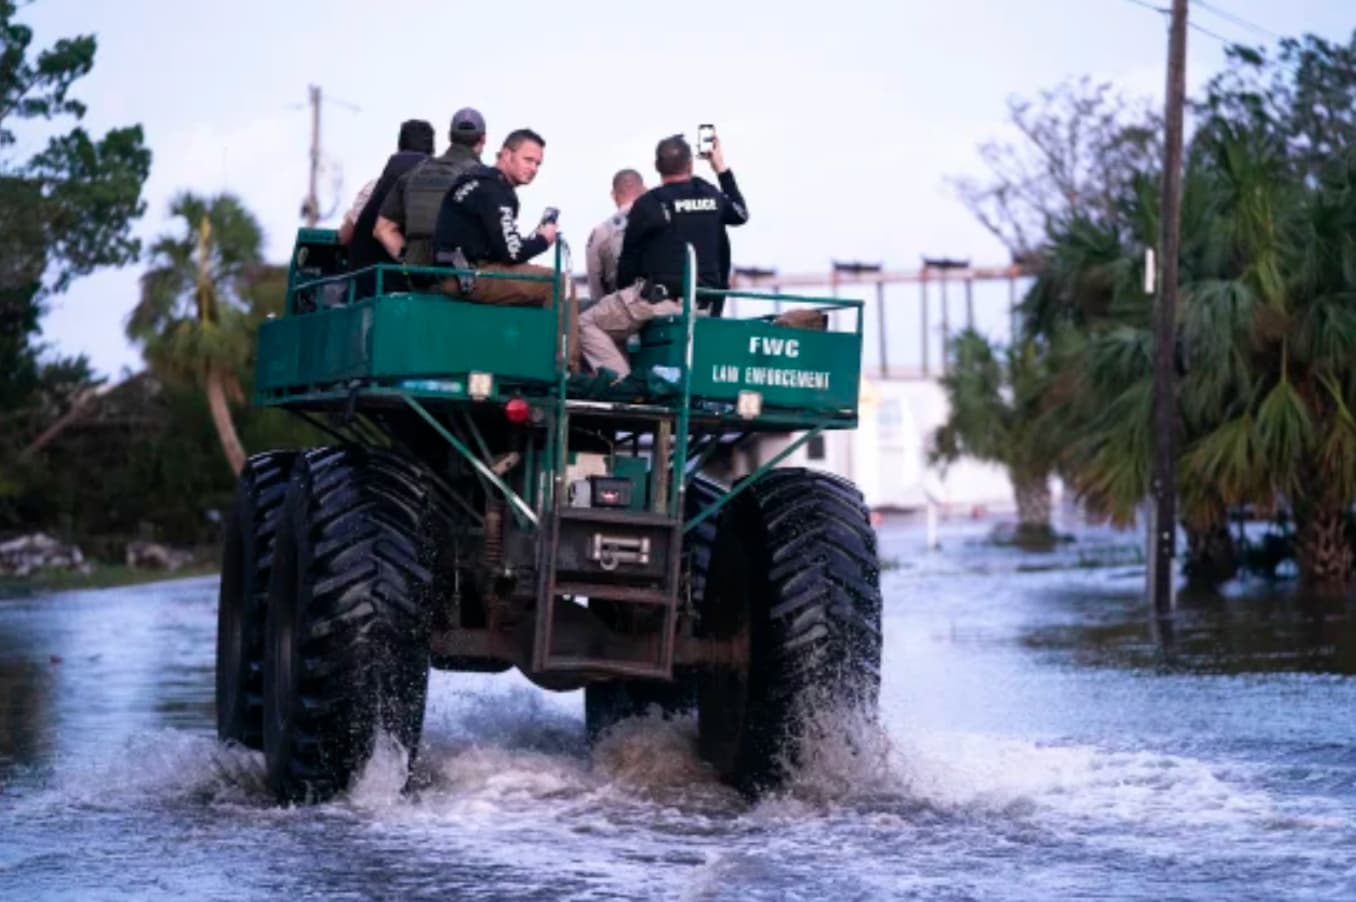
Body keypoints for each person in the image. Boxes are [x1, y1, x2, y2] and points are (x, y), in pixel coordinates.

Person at [578, 132, 748, 378]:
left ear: (657, 167)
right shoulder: (709, 193)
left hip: (658, 303)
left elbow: (628, 265)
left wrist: (627, 296)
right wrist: (720, 167)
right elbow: (741, 214)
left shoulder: (649, 203)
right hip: (704, 305)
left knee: (586, 323)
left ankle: (624, 387)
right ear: (690, 164)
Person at [431, 128, 579, 368]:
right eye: (528, 160)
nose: (533, 169)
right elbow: (511, 252)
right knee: (562, 285)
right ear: (507, 155)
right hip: (468, 276)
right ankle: (567, 371)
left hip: (458, 271)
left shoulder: (475, 179)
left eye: (538, 164)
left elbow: (501, 244)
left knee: (535, 279)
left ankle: (528, 361)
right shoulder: (495, 190)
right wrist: (543, 239)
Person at [374, 107, 487, 267]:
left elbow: (383, 229)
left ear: (449, 136)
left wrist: (408, 259)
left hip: (416, 275)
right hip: (462, 278)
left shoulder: (413, 173)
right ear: (483, 139)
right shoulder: (484, 179)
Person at [340, 119, 435, 297]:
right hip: (414, 291)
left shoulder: (372, 189)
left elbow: (345, 237)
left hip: (366, 288)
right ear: (432, 152)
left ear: (398, 147)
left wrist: (347, 219)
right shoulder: (437, 191)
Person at [585, 169, 645, 300]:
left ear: (613, 195)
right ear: (645, 190)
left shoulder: (601, 231)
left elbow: (595, 285)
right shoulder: (664, 220)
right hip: (663, 303)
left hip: (621, 306)